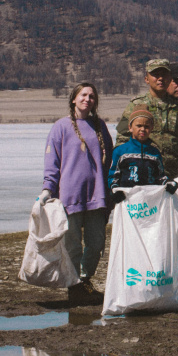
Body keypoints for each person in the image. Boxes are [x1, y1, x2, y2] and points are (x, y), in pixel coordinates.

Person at [39, 83, 114, 305]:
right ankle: (75, 288)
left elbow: (108, 161)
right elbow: (52, 162)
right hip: (70, 196)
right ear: (74, 98)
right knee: (72, 245)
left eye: (92, 96)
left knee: (97, 242)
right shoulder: (60, 127)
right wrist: (47, 189)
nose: (87, 99)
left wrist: (111, 190)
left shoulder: (99, 126)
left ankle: (84, 280)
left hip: (97, 196)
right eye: (83, 95)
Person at [116, 59, 178, 179]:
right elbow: (122, 139)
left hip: (175, 174)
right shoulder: (136, 105)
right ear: (146, 79)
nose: (161, 78)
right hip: (144, 172)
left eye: (164, 75)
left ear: (170, 78)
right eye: (156, 75)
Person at [109, 107, 178, 196]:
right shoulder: (121, 151)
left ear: (151, 128)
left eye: (146, 126)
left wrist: (167, 183)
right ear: (130, 127)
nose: (142, 129)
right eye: (139, 126)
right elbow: (113, 176)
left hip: (149, 199)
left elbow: (160, 176)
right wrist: (115, 189)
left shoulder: (154, 153)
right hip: (127, 199)